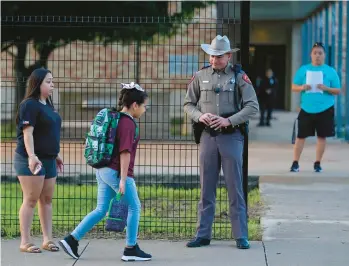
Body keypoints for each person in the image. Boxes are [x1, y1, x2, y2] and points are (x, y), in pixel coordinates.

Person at [59, 82, 152, 262]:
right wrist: (124, 180)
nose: (145, 110)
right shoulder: (128, 124)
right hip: (116, 172)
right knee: (135, 207)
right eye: (144, 106)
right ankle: (130, 248)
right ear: (135, 105)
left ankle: (71, 240)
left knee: (101, 209)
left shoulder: (115, 119)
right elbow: (125, 152)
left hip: (103, 169)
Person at [183, 35, 259, 249]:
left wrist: (228, 120)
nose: (214, 59)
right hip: (207, 136)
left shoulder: (239, 77)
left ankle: (240, 235)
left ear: (228, 56)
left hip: (231, 137)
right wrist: (200, 116)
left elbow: (252, 106)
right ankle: (203, 234)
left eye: (219, 56)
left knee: (235, 187)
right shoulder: (200, 75)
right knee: (206, 188)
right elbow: (188, 104)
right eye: (212, 55)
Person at [13, 68, 63, 253]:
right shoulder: (29, 105)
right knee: (31, 199)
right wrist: (32, 156)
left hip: (49, 159)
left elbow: (48, 132)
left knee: (47, 200)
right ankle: (25, 242)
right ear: (38, 84)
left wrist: (55, 154)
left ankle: (47, 239)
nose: (52, 85)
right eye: (48, 82)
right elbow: (28, 133)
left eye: (52, 81)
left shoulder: (48, 105)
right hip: (29, 159)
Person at [290, 42, 341, 172]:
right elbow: (294, 86)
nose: (317, 56)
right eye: (315, 53)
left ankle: (317, 163)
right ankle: (295, 162)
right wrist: (302, 87)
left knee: (321, 137)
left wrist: (326, 88)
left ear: (324, 55)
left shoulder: (330, 71)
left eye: (320, 53)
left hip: (325, 108)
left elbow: (337, 90)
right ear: (311, 55)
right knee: (300, 136)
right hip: (306, 108)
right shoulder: (303, 70)